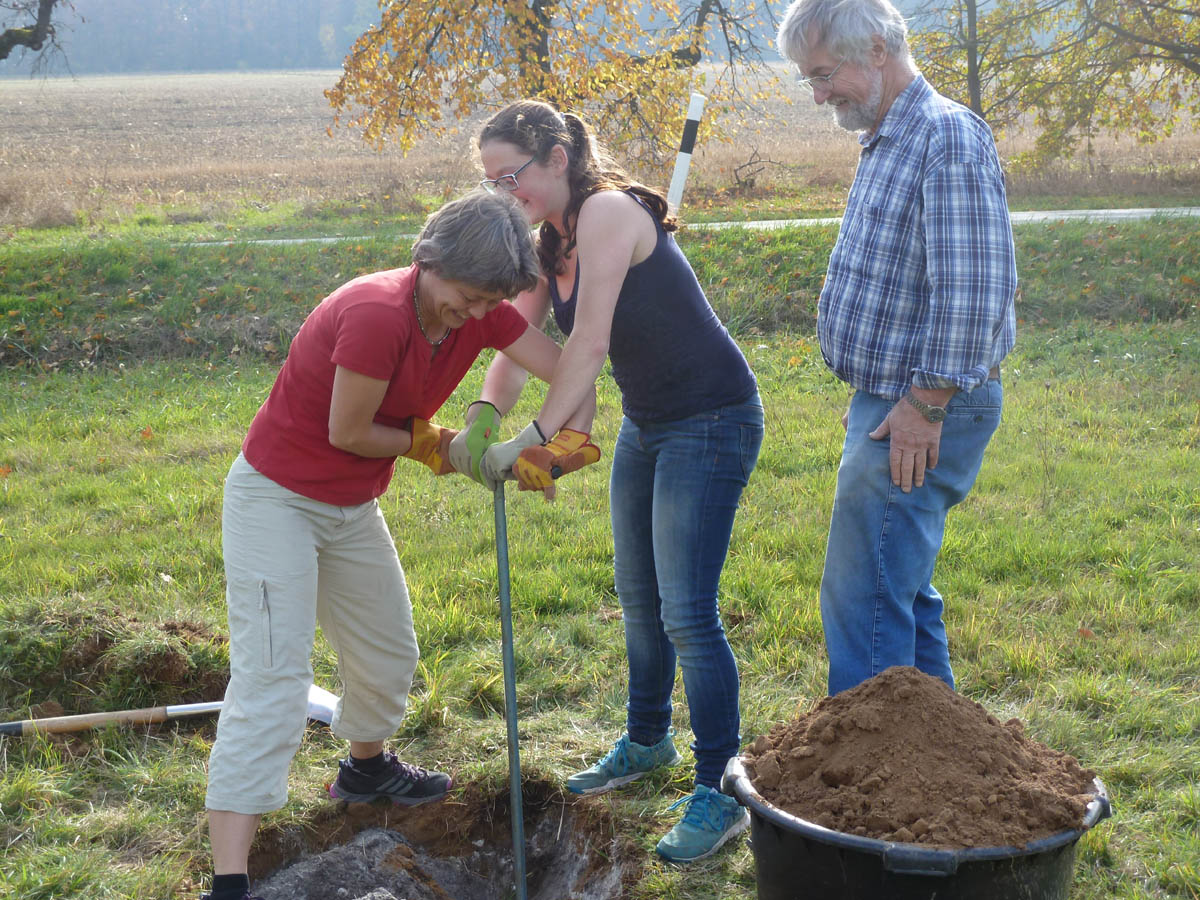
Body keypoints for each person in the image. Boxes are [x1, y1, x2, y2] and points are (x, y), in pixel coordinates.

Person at [201, 190, 590, 900]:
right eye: (465, 298)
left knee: (387, 652)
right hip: (277, 498)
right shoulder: (377, 314)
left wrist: (557, 441)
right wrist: (442, 445)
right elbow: (348, 431)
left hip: (349, 504)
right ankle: (229, 878)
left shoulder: (481, 308)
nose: (472, 315)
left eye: (487, 305)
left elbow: (568, 366)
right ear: (429, 260)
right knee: (273, 679)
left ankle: (366, 769)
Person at [468, 100, 764, 864]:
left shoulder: (607, 213)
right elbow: (512, 340)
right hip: (651, 422)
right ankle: (646, 741)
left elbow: (589, 340)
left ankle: (721, 791)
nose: (506, 191)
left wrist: (533, 440)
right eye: (491, 181)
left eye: (513, 174)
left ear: (557, 158)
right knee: (637, 598)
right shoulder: (547, 242)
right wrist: (480, 417)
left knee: (687, 614)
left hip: (713, 418)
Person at [777, 0, 1017, 695]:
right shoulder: (891, 134)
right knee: (898, 590)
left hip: (923, 404)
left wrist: (923, 403)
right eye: (809, 81)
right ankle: (952, 771)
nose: (820, 95)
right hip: (892, 401)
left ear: (878, 49)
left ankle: (868, 789)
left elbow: (974, 292)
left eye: (826, 75)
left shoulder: (946, 137)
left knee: (865, 603)